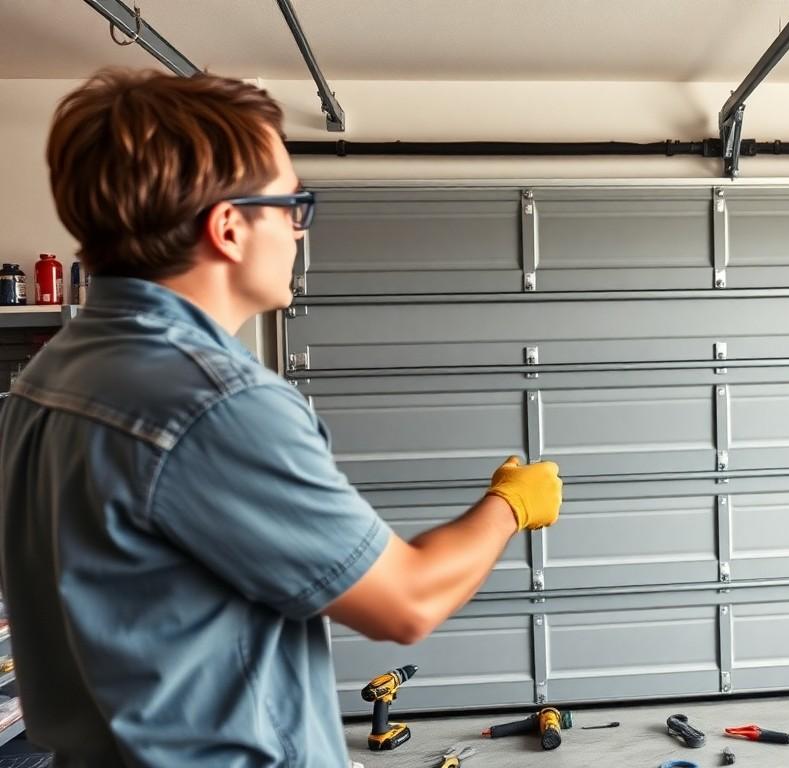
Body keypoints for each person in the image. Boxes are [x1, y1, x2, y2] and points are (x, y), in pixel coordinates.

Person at [0, 69, 562, 766]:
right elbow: (408, 600)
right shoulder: (214, 403)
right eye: (291, 203)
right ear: (229, 227)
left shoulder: (48, 376)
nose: (299, 228)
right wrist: (509, 504)